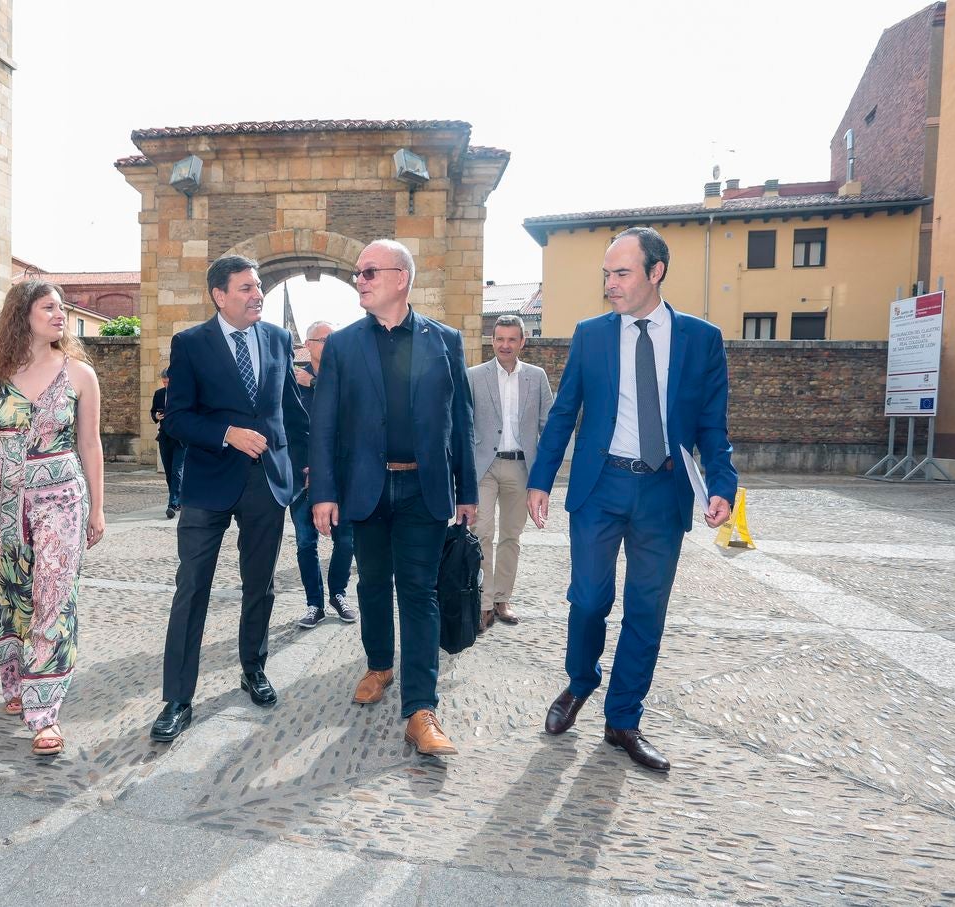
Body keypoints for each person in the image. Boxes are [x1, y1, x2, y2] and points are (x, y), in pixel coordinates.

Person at [527, 227, 737, 773]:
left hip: (664, 492)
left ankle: (623, 719)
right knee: (590, 599)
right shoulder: (591, 335)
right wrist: (541, 479)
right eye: (607, 274)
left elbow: (713, 426)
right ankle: (579, 682)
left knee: (647, 611)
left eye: (621, 273)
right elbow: (564, 412)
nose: (610, 284)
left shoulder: (701, 339)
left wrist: (722, 486)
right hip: (599, 488)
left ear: (655, 272)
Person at [310, 239, 477, 757]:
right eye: (357, 273)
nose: (358, 279)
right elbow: (325, 424)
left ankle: (421, 710)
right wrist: (324, 493)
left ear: (401, 278)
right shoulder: (342, 346)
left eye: (367, 272)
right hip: (366, 485)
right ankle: (379, 664)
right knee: (373, 584)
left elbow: (461, 419)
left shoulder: (444, 339)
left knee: (420, 593)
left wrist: (466, 488)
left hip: (423, 488)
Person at [150, 254, 309, 743]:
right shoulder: (191, 344)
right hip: (208, 484)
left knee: (259, 585)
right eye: (246, 287)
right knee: (192, 588)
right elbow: (176, 418)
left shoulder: (279, 340)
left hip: (266, 483)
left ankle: (253, 668)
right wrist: (226, 433)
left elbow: (291, 411)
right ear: (220, 295)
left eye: (258, 286)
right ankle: (177, 698)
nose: (257, 294)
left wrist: (311, 469)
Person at [0, 279, 106, 758]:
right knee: (11, 594)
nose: (60, 315)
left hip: (61, 496)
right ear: (23, 315)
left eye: (61, 308)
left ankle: (45, 711)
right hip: (2, 500)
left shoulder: (80, 375)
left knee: (55, 597)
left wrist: (98, 507)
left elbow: (90, 444)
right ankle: (16, 681)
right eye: (48, 308)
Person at [468, 314, 555, 634]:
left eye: (511, 339)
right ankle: (484, 602)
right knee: (482, 533)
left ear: (522, 342)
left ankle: (503, 598)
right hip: (484, 468)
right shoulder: (474, 376)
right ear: (492, 340)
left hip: (522, 467)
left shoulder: (537, 377)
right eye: (499, 339)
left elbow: (549, 425)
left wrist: (544, 475)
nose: (505, 345)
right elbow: (462, 425)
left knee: (511, 536)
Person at [291, 320, 357, 629]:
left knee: (346, 540)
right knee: (306, 542)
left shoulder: (346, 376)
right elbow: (289, 427)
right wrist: (304, 465)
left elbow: (350, 418)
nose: (331, 345)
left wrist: (314, 386)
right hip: (302, 476)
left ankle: (338, 593)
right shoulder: (292, 379)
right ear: (309, 344)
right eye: (324, 340)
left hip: (340, 474)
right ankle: (314, 603)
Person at [151, 368, 186, 519]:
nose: (166, 385)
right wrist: (156, 416)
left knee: (177, 471)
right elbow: (153, 412)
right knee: (168, 472)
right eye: (164, 382)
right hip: (165, 437)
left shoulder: (182, 394)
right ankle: (178, 500)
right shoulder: (159, 394)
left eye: (168, 383)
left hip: (180, 439)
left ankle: (172, 504)